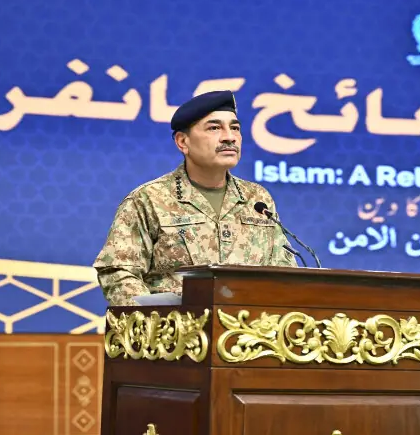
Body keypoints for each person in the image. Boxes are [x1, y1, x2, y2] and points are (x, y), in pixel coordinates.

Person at [93, 90, 298, 306]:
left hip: (248, 332)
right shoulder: (149, 200)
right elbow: (118, 273)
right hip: (175, 333)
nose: (229, 137)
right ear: (183, 142)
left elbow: (283, 272)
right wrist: (161, 323)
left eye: (235, 128)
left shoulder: (257, 199)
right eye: (214, 128)